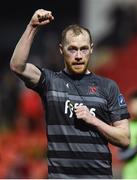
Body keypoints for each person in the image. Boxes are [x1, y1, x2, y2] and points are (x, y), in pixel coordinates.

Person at [10, 9, 130, 179]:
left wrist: (93, 120)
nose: (79, 56)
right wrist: (32, 27)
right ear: (61, 50)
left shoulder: (108, 87)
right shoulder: (50, 82)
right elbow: (17, 66)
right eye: (72, 49)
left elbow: (124, 138)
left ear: (91, 49)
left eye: (83, 49)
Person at [119, 90, 137, 179]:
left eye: (135, 104)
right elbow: (122, 156)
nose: (131, 107)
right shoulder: (127, 127)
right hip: (131, 177)